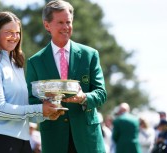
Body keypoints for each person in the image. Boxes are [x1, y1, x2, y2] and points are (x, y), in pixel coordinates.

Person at [0, 11, 63, 153]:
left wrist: (45, 114)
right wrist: (39, 109)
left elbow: (22, 108)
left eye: (17, 32)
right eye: (8, 32)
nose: (14, 37)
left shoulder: (17, 65)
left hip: (22, 140)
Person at [26, 1, 107, 152]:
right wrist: (44, 108)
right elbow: (30, 100)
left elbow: (101, 94)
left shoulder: (89, 55)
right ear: (47, 25)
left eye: (68, 22)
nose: (66, 27)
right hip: (54, 140)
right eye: (60, 22)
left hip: (87, 140)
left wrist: (84, 98)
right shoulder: (35, 62)